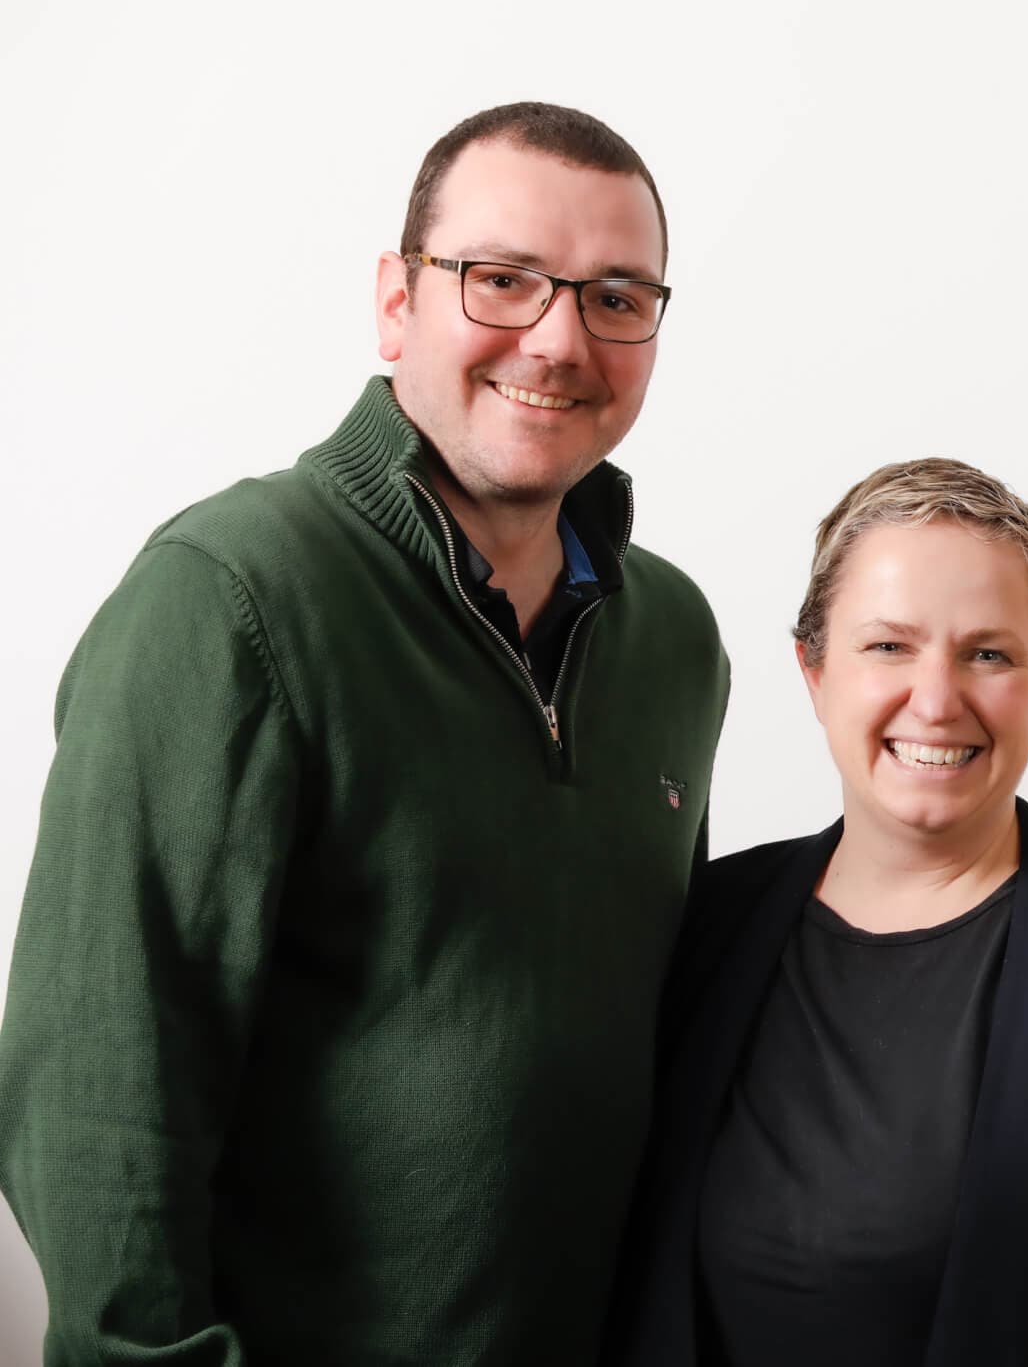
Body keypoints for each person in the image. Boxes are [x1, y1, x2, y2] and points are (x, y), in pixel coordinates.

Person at [0, 102, 728, 1365]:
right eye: (501, 281)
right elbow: (98, 1100)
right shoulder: (228, 594)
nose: (558, 340)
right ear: (397, 302)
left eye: (616, 296)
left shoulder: (670, 636)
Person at [606, 459, 1028, 1367]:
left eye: (988, 653)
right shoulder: (701, 927)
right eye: (889, 646)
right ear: (814, 671)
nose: (938, 699)